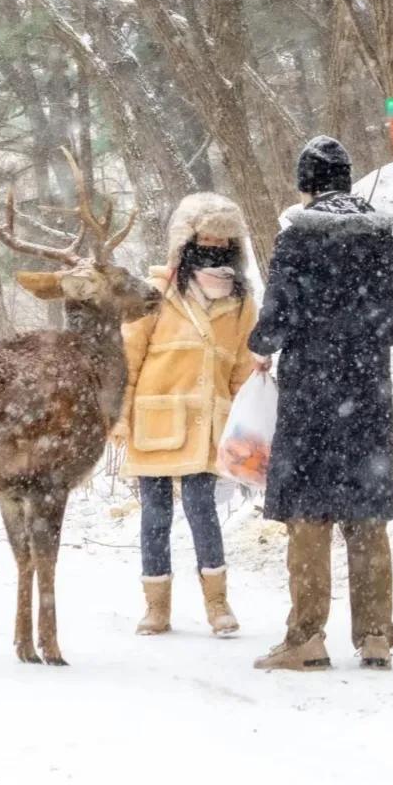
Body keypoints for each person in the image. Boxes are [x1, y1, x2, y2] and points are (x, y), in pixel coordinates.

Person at [249, 135, 393, 672]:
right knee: (366, 516)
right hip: (366, 392)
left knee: (308, 514)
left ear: (305, 185)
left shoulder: (296, 240)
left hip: (311, 394)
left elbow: (275, 321)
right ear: (347, 180)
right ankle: (377, 635)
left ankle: (306, 638)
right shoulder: (384, 241)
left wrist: (262, 347)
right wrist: (355, 337)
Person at [112, 192, 258, 637]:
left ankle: (217, 604)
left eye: (222, 238)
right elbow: (128, 357)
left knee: (202, 511)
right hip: (155, 420)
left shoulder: (241, 300)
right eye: (205, 236)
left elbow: (242, 368)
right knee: (154, 515)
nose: (213, 244)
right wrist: (118, 415)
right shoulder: (155, 293)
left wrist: (244, 428)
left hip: (210, 426)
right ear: (186, 239)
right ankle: (156, 608)